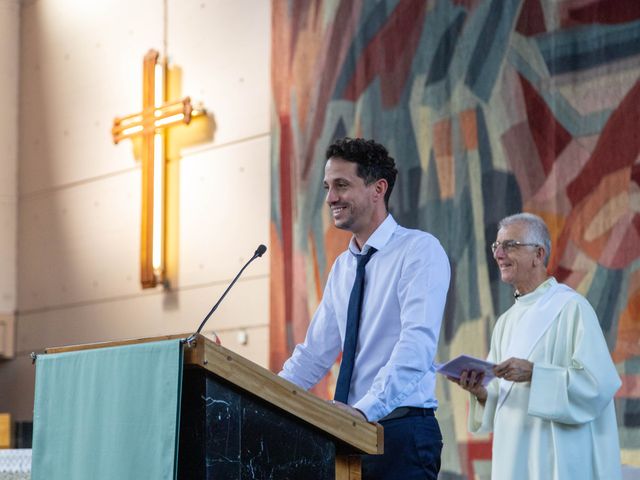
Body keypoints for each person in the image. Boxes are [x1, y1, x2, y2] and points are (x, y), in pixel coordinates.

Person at [279, 137, 450, 479]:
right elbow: (314, 354)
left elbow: (415, 347)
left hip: (399, 433)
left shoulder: (418, 251)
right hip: (346, 434)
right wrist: (262, 397)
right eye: (328, 186)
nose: (330, 198)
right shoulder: (343, 266)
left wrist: (362, 412)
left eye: (342, 185)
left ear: (378, 188)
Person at [450, 212, 621, 480]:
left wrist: (535, 374)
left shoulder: (571, 307)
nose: (498, 254)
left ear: (538, 254)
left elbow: (598, 384)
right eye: (497, 246)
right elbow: (502, 397)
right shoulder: (505, 322)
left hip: (556, 456)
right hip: (514, 454)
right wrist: (481, 392)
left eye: (510, 245)